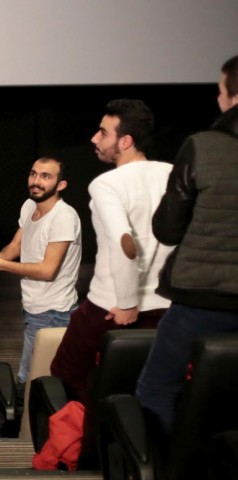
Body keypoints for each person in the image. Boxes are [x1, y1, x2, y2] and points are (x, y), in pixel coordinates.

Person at [136, 54, 238, 435]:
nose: (218, 97)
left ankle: (169, 463)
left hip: (203, 299)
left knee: (156, 391)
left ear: (232, 96)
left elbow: (168, 229)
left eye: (221, 89)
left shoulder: (204, 146)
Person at [50, 99, 175, 404]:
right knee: (149, 382)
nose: (94, 138)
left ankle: (87, 433)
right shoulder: (173, 173)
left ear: (125, 141)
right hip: (167, 307)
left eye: (103, 133)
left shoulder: (106, 184)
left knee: (66, 374)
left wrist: (129, 303)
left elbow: (124, 243)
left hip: (112, 306)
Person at [0, 157, 82, 435]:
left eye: (46, 176)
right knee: (32, 373)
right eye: (33, 174)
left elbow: (47, 270)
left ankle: (19, 433)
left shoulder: (64, 217)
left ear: (61, 185)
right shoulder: (30, 206)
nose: (36, 181)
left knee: (30, 376)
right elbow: (17, 245)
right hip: (34, 306)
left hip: (53, 312)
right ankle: (23, 427)